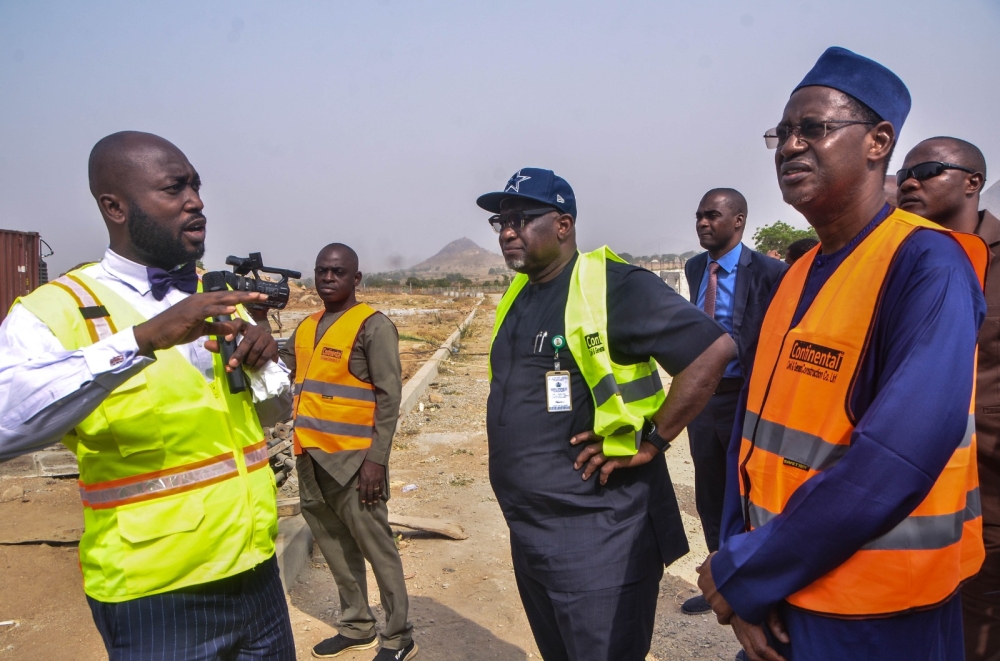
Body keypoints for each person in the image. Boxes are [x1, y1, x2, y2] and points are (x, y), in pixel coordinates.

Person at [697, 47, 988, 661]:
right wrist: (740, 559)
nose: (790, 146)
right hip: (786, 592)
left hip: (876, 614)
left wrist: (751, 571)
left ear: (878, 141)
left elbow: (895, 458)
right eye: (783, 131)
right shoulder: (800, 272)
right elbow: (750, 439)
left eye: (815, 128)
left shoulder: (927, 264)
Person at [0, 131, 295, 660]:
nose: (195, 201)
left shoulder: (217, 294)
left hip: (256, 573)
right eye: (174, 188)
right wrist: (140, 340)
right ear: (115, 206)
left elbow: (272, 413)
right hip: (155, 596)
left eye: (196, 186)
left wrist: (266, 364)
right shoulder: (55, 309)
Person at [478, 167, 735, 661]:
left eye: (521, 218)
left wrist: (655, 439)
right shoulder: (519, 293)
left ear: (563, 224)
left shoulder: (611, 285)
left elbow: (712, 349)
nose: (508, 231)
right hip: (532, 533)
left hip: (598, 536)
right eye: (501, 221)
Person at [278, 243, 415, 661]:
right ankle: (357, 625)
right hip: (310, 458)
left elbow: (389, 398)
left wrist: (377, 460)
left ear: (356, 279)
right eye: (321, 271)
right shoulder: (305, 328)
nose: (328, 278)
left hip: (356, 463)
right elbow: (274, 366)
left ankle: (398, 636)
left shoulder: (373, 327)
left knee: (377, 548)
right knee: (335, 546)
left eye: (338, 272)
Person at [897, 136, 997, 661]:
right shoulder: (897, 261)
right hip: (921, 488)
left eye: (929, 170)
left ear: (972, 182)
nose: (910, 181)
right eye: (905, 172)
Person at [680, 189, 786, 615]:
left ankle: (753, 591)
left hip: (746, 399)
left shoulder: (769, 271)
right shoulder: (693, 268)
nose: (704, 223)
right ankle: (717, 578)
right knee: (708, 493)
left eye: (713, 216)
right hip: (703, 401)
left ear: (738, 221)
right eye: (699, 216)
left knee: (746, 494)